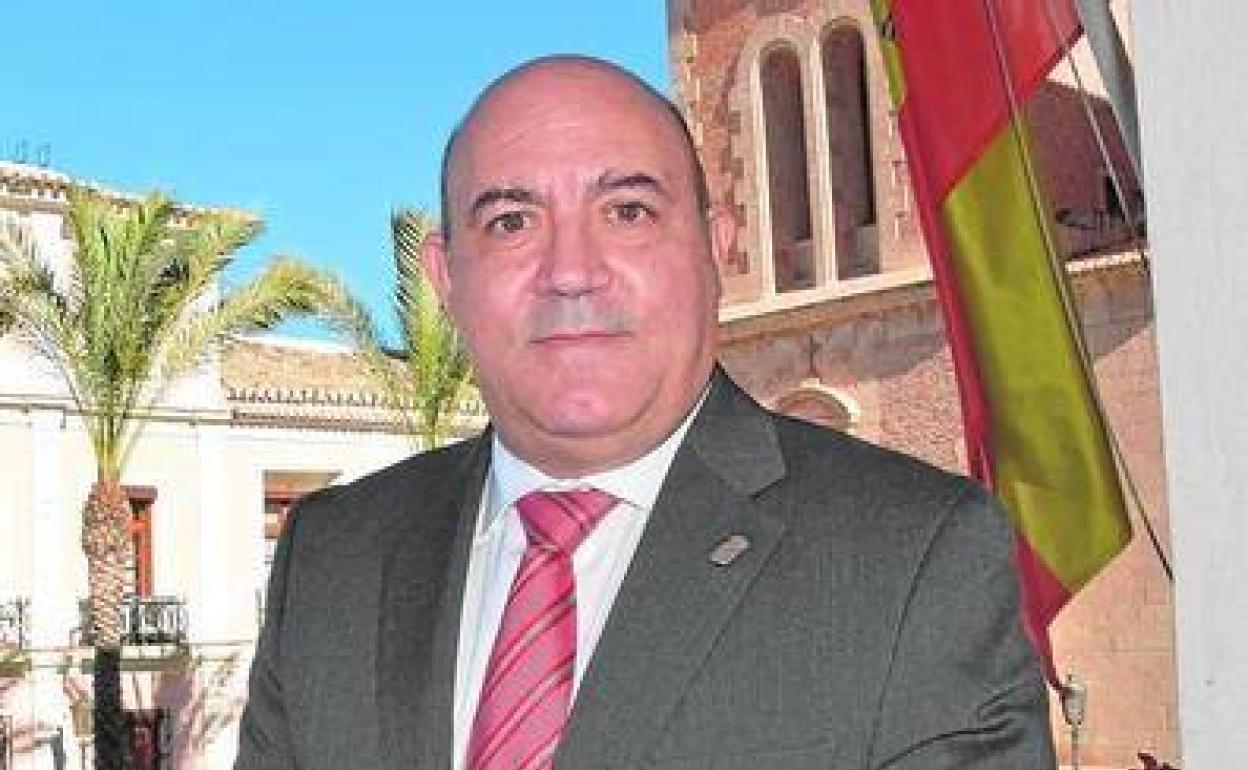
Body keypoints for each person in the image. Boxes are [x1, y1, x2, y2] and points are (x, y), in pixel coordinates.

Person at [234, 55, 1055, 770]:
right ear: (447, 279)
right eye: (512, 221)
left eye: (627, 212)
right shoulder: (332, 559)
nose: (571, 271)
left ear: (716, 247)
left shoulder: (915, 558)